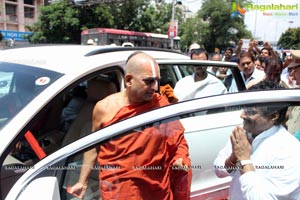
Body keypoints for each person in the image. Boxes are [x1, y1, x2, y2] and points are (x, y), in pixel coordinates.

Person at [69, 52, 192, 200]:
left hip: (155, 187)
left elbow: (177, 139)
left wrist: (180, 158)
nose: (155, 87)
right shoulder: (104, 108)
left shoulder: (161, 105)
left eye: (157, 81)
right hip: (119, 188)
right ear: (128, 80)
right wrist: (82, 182)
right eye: (149, 81)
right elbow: (94, 147)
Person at [214, 80, 300, 200]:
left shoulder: (290, 150)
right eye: (244, 108)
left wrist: (244, 161)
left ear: (273, 116)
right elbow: (218, 169)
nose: (242, 115)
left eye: (251, 112)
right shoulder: (244, 134)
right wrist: (233, 158)